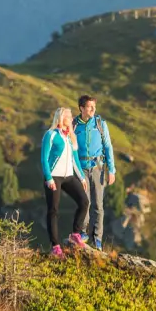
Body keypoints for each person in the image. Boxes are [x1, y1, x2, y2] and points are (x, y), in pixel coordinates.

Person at [40, 106, 90, 256]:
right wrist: (48, 178)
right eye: (69, 115)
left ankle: (75, 234)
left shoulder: (70, 137)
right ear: (61, 118)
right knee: (53, 210)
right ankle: (55, 246)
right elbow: (44, 159)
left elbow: (75, 160)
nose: (71, 118)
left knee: (84, 202)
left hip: (68, 177)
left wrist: (81, 177)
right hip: (54, 177)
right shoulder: (51, 135)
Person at [72, 93, 116, 250]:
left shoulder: (100, 123)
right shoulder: (74, 125)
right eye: (90, 107)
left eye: (94, 107)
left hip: (98, 168)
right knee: (84, 202)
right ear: (81, 108)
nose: (93, 110)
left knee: (98, 204)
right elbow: (70, 150)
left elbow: (108, 147)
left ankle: (97, 239)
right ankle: (83, 234)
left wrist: (112, 170)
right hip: (81, 168)